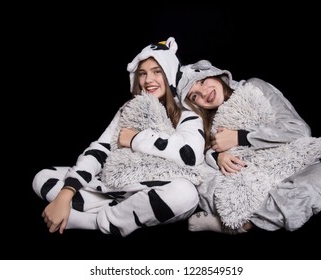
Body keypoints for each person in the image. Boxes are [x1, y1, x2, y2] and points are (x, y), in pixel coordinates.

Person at [32, 37, 205, 237]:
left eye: (157, 72)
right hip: (119, 187)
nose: (148, 80)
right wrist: (66, 193)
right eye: (142, 73)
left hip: (160, 189)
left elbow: (190, 155)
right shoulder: (128, 110)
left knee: (186, 194)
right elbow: (101, 150)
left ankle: (95, 221)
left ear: (170, 74)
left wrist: (136, 139)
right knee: (42, 178)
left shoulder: (187, 113)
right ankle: (123, 208)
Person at [176, 59, 321, 234]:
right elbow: (199, 157)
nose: (203, 92)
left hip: (289, 170)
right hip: (248, 182)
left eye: (202, 81)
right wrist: (218, 157)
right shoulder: (204, 124)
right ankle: (269, 212)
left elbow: (299, 130)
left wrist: (240, 137)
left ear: (215, 74)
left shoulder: (255, 87)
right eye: (194, 96)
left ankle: (245, 224)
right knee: (199, 182)